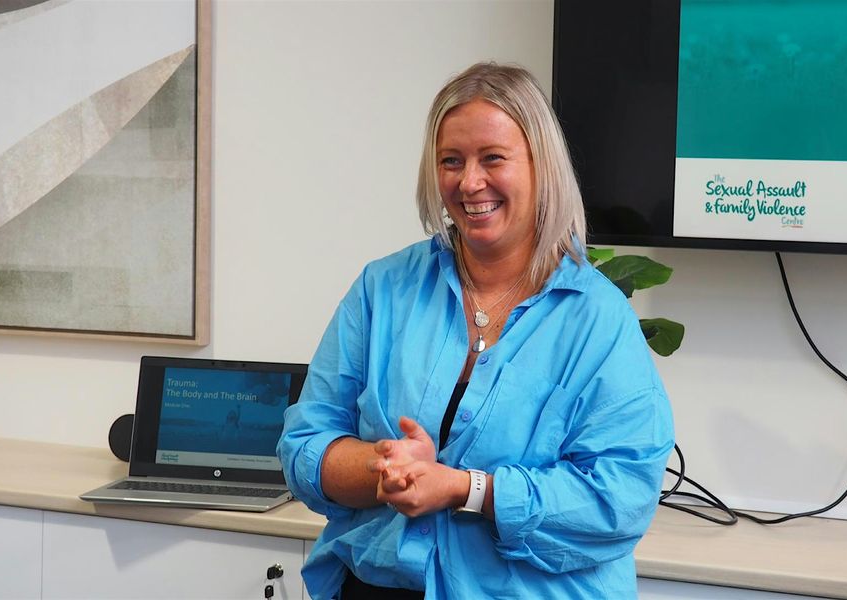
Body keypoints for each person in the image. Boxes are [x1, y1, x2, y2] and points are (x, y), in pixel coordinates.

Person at [277, 62, 674, 599]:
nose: (469, 182)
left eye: (493, 158)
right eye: (451, 161)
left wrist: (468, 490)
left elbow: (620, 500)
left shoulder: (597, 318)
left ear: (540, 166)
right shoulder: (383, 289)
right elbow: (305, 445)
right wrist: (387, 470)